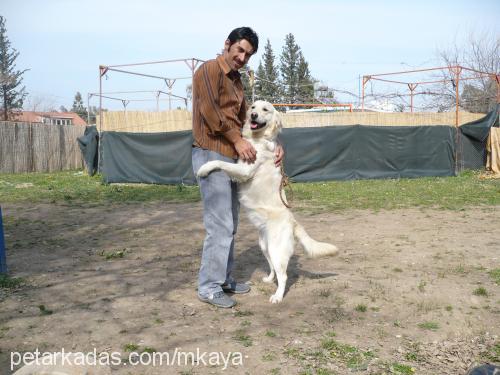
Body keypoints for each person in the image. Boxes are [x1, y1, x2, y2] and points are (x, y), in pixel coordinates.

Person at [191, 27, 284, 308]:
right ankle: (208, 286)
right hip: (211, 151)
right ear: (227, 44)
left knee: (230, 223)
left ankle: (224, 279)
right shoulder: (208, 70)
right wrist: (236, 140)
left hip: (233, 156)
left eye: (248, 54)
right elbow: (210, 112)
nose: (243, 58)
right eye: (240, 50)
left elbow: (250, 122)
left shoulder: (237, 82)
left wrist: (275, 145)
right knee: (219, 224)